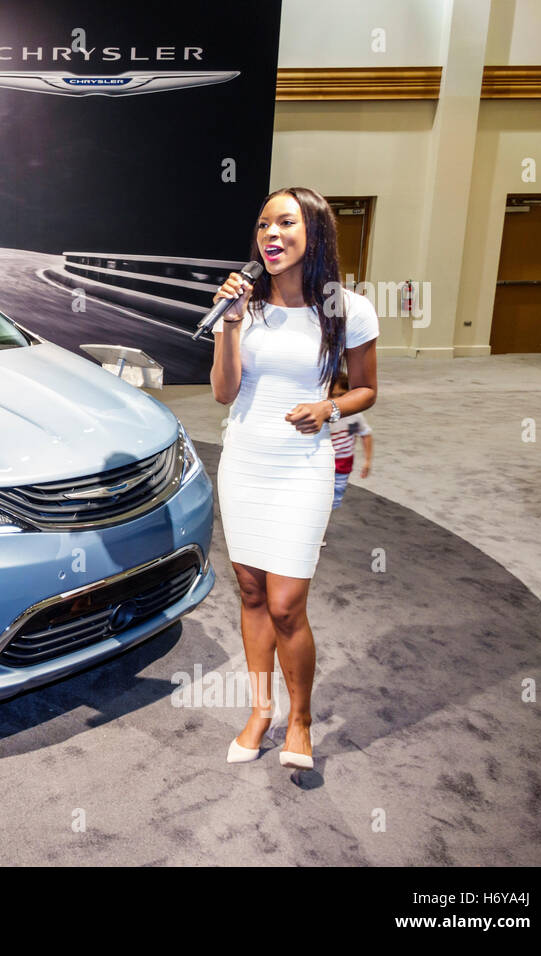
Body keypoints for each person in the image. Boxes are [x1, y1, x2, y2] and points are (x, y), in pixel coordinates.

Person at [210, 186, 379, 770]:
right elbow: (225, 393)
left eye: (285, 223)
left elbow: (367, 389)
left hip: (300, 466)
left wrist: (329, 409)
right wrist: (229, 323)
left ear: (315, 233)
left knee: (286, 604)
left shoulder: (348, 309)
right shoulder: (241, 306)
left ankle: (300, 717)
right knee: (252, 592)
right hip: (246, 460)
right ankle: (260, 710)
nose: (271, 235)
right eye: (263, 226)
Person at [328, 371, 373, 510]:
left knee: (336, 498)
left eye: (341, 395)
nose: (335, 401)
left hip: (343, 463)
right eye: (331, 396)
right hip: (323, 462)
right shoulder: (323, 417)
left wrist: (367, 460)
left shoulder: (354, 415)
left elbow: (365, 434)